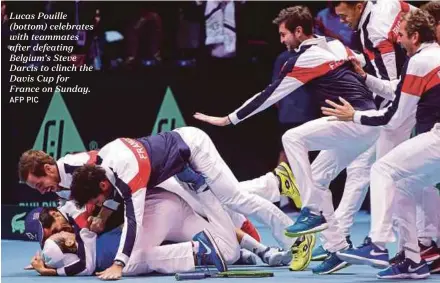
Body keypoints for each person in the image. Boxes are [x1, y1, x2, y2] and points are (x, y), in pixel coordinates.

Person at [193, 5, 381, 275]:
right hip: (362, 123)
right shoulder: (334, 44)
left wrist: (229, 119)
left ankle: (311, 211)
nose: (282, 41)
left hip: (356, 121)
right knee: (317, 179)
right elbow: (361, 61)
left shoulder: (303, 59)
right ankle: (337, 246)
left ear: (299, 31)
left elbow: (269, 95)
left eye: (284, 35)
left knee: (292, 137)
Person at [66, 126, 298, 279]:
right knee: (224, 202)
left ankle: (281, 200)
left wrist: (118, 263)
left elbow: (132, 221)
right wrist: (104, 213)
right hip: (178, 174)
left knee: (233, 197)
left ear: (103, 186)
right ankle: (272, 189)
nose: (97, 205)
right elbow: (114, 197)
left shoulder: (127, 175)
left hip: (192, 149)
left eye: (95, 200)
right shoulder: (105, 162)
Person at [322, 9, 440, 279]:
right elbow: (398, 88)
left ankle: (377, 243)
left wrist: (354, 115)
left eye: (400, 35)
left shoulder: (420, 61)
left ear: (415, 36)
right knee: (404, 185)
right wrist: (365, 78)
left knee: (381, 169)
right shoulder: (431, 57)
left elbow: (394, 117)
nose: (397, 40)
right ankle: (412, 259)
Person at [18, 147, 299, 250]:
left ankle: (273, 183)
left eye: (38, 183)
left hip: (153, 180)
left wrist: (100, 216)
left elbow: (111, 186)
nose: (40, 189)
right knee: (218, 198)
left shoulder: (77, 164)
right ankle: (273, 183)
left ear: (47, 168)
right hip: (147, 190)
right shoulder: (59, 189)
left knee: (216, 199)